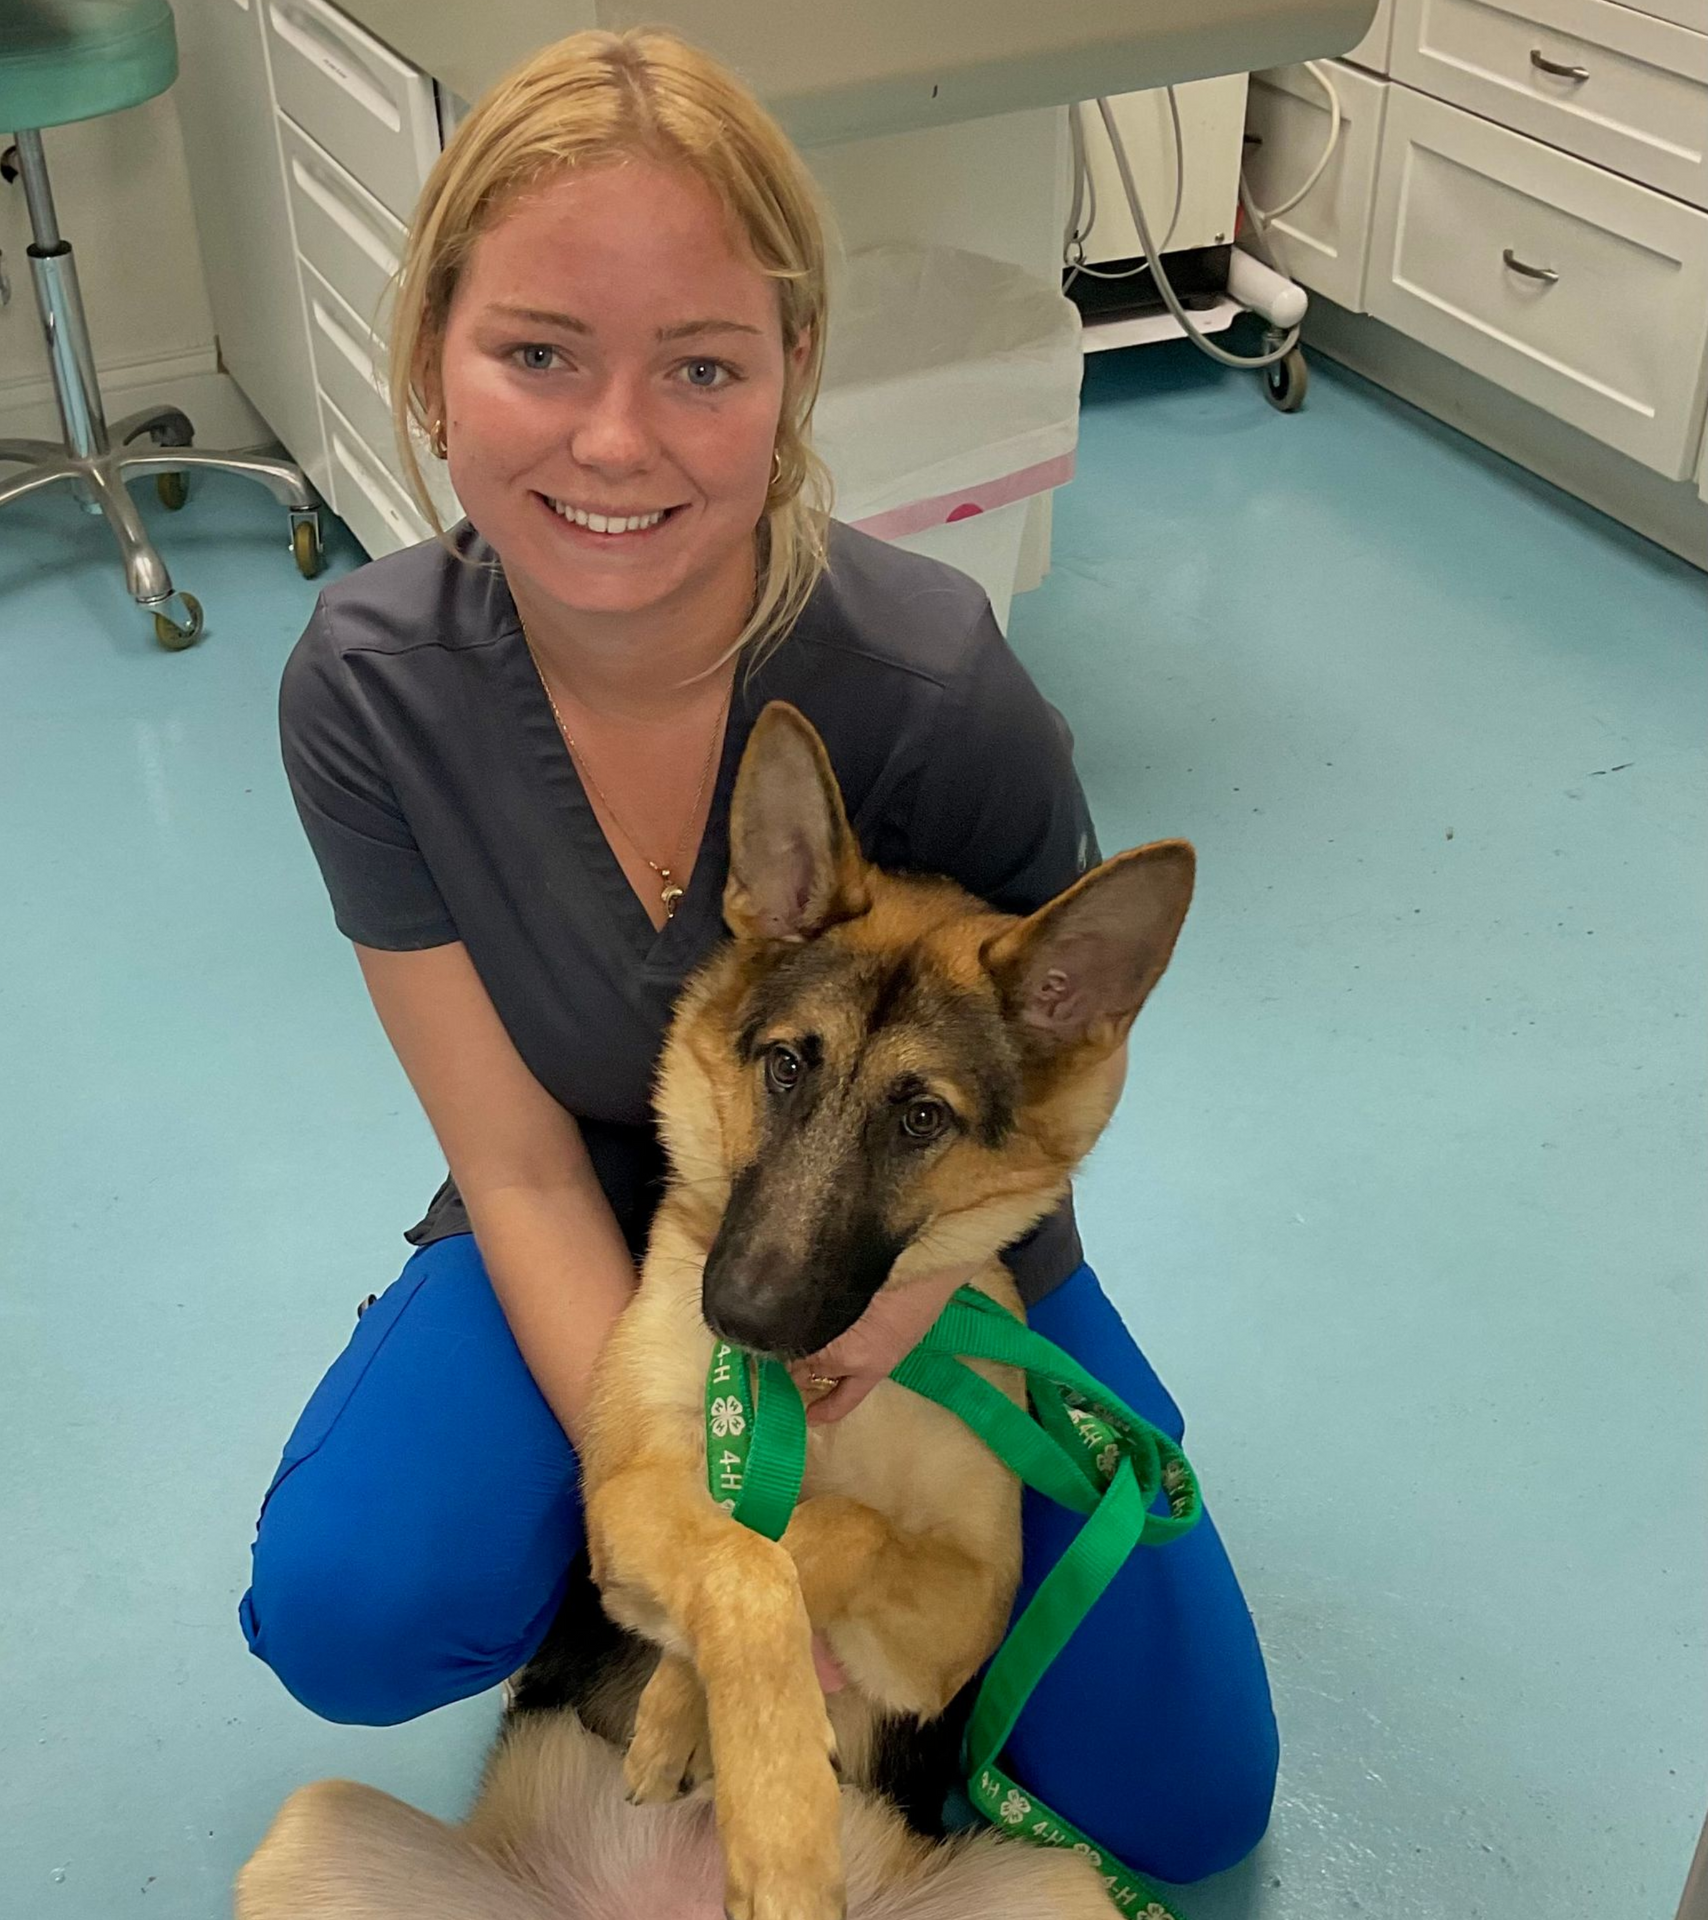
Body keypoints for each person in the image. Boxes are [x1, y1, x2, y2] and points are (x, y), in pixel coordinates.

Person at [239, 26, 1277, 1885]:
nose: (614, 439)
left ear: (793, 375)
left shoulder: (938, 694)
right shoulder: (370, 693)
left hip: (925, 1232)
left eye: (701, 365)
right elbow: (516, 1161)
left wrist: (890, 1320)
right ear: (431, 355)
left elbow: (1035, 1099)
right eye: (538, 351)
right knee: (358, 1603)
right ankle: (583, 1580)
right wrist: (696, 1498)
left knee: (1191, 1802)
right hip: (588, 1201)